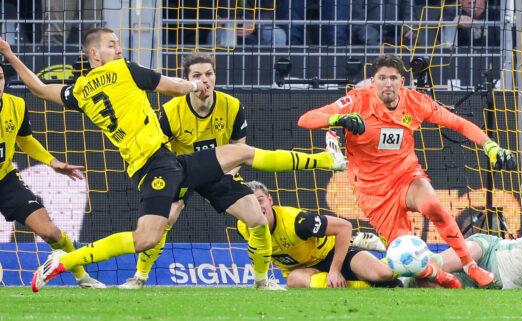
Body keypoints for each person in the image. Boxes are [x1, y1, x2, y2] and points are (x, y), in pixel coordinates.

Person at [0, 27, 346, 292]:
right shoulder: (122, 69)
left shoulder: (78, 89)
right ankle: (67, 261)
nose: (118, 49)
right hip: (155, 166)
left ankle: (326, 161)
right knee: (145, 238)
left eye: (118, 45)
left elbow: (40, 90)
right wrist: (195, 87)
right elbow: (175, 87)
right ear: (94, 53)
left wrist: (13, 57)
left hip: (166, 162)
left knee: (243, 159)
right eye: (111, 44)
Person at [298, 54, 516, 289]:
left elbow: (458, 123)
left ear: (402, 82)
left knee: (433, 206)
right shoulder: (356, 101)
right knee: (407, 260)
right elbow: (306, 119)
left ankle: (470, 266)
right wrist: (338, 118)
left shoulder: (416, 102)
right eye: (382, 78)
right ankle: (438, 274)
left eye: (393, 78)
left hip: (405, 176)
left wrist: (488, 145)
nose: (387, 83)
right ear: (373, 81)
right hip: (373, 193)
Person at [118, 52, 302, 290]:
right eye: (197, 75)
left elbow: (240, 148)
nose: (204, 80)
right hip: (181, 169)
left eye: (209, 74)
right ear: (187, 80)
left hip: (219, 170)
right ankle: (139, 277)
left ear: (215, 77)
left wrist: (229, 174)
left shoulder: (232, 106)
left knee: (257, 218)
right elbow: (157, 150)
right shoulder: (170, 110)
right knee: (165, 218)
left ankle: (262, 281)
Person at [0, 64, 105, 289]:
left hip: (5, 180)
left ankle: (81, 276)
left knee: (51, 232)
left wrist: (52, 162)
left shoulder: (16, 105)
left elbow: (25, 139)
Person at [236, 181, 400, 288]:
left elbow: (344, 227)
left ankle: (408, 262)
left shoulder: (296, 222)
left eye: (260, 200)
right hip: (306, 270)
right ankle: (370, 285)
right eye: (249, 204)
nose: (257, 207)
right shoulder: (244, 227)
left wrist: (335, 270)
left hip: (334, 254)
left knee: (383, 274)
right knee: (293, 280)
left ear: (270, 200)